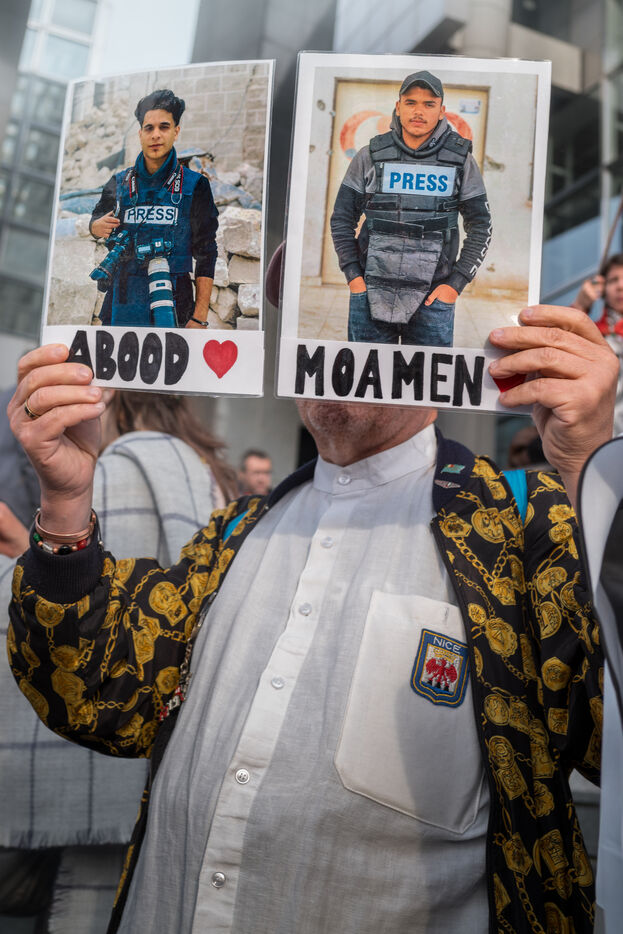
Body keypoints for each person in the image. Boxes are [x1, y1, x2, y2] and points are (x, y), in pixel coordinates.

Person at [6, 304, 619, 934]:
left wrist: (592, 473)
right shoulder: (232, 533)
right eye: (301, 305)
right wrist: (66, 500)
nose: (337, 333)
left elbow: (609, 736)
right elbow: (99, 696)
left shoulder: (529, 524)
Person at [0, 390, 237, 933]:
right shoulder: (208, 473)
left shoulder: (119, 471)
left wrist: (20, 561)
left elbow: (81, 615)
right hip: (170, 768)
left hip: (102, 749)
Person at [330, 70, 492, 346]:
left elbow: (481, 226)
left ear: (441, 111)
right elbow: (342, 219)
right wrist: (354, 277)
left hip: (433, 301)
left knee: (425, 376)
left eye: (429, 104)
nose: (419, 111)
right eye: (411, 102)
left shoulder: (460, 161)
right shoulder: (369, 156)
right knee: (369, 374)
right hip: (370, 295)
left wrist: (455, 285)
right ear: (398, 107)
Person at [89, 89, 218, 329]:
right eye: (149, 128)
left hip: (174, 303)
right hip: (122, 302)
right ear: (140, 133)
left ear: (176, 131)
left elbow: (206, 252)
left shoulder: (196, 186)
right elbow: (96, 218)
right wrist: (95, 227)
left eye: (164, 127)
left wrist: (199, 317)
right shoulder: (119, 182)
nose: (156, 135)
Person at [572, 252, 623, 434]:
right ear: (602, 289)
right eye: (613, 280)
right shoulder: (592, 334)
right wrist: (580, 306)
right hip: (602, 438)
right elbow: (559, 347)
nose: (620, 286)